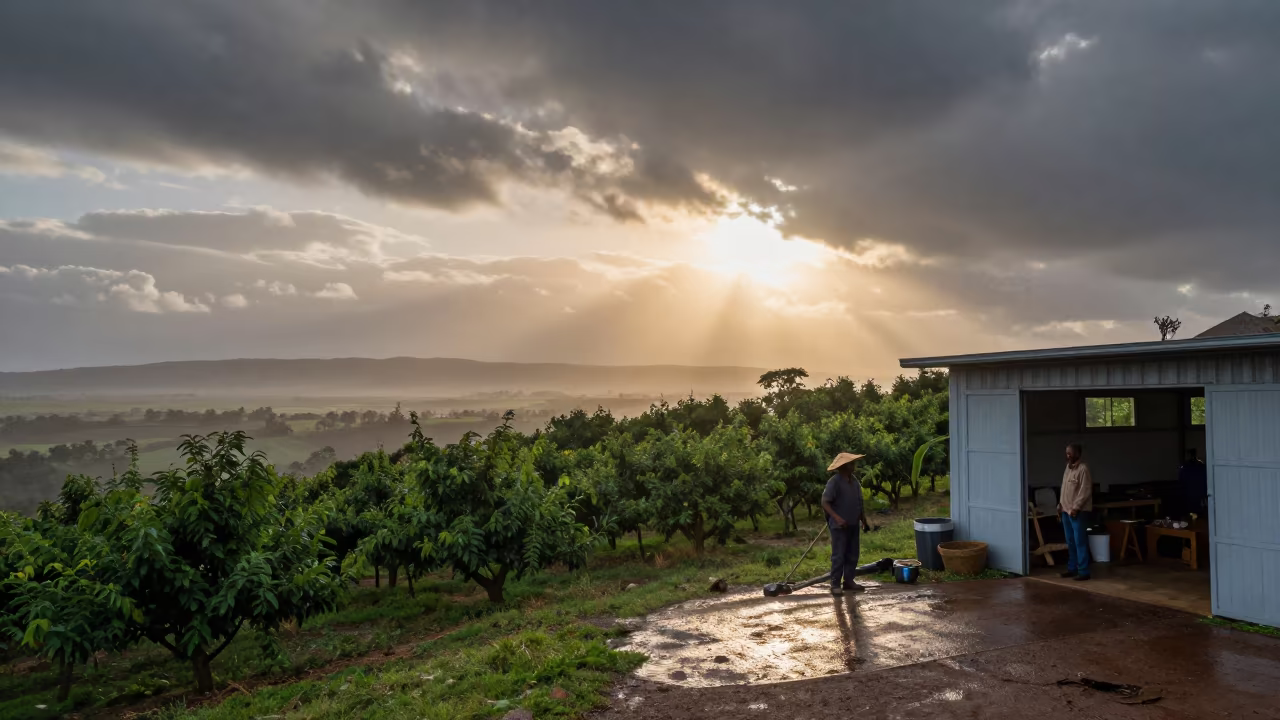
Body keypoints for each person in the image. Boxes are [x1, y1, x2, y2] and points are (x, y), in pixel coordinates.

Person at [822, 452, 872, 596]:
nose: (854, 466)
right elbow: (825, 502)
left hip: (853, 524)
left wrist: (863, 519)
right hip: (839, 526)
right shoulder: (834, 482)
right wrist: (837, 518)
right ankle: (835, 584)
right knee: (839, 555)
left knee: (852, 554)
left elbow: (859, 502)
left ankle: (849, 581)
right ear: (844, 466)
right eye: (851, 464)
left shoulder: (854, 480)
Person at [1057, 442, 1093, 581]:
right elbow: (1064, 488)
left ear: (1077, 454)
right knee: (1070, 541)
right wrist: (1060, 505)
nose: (1067, 455)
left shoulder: (1083, 469)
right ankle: (1072, 569)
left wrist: (1076, 507)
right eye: (1066, 453)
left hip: (1078, 512)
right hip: (1066, 510)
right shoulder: (1068, 468)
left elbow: (1085, 491)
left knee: (1080, 541)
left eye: (1070, 453)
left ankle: (1084, 571)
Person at [1178, 448, 1208, 518]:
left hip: (1189, 493)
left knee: (1190, 514)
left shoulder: (1185, 466)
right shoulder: (1201, 465)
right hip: (1199, 494)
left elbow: (1181, 479)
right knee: (1200, 514)